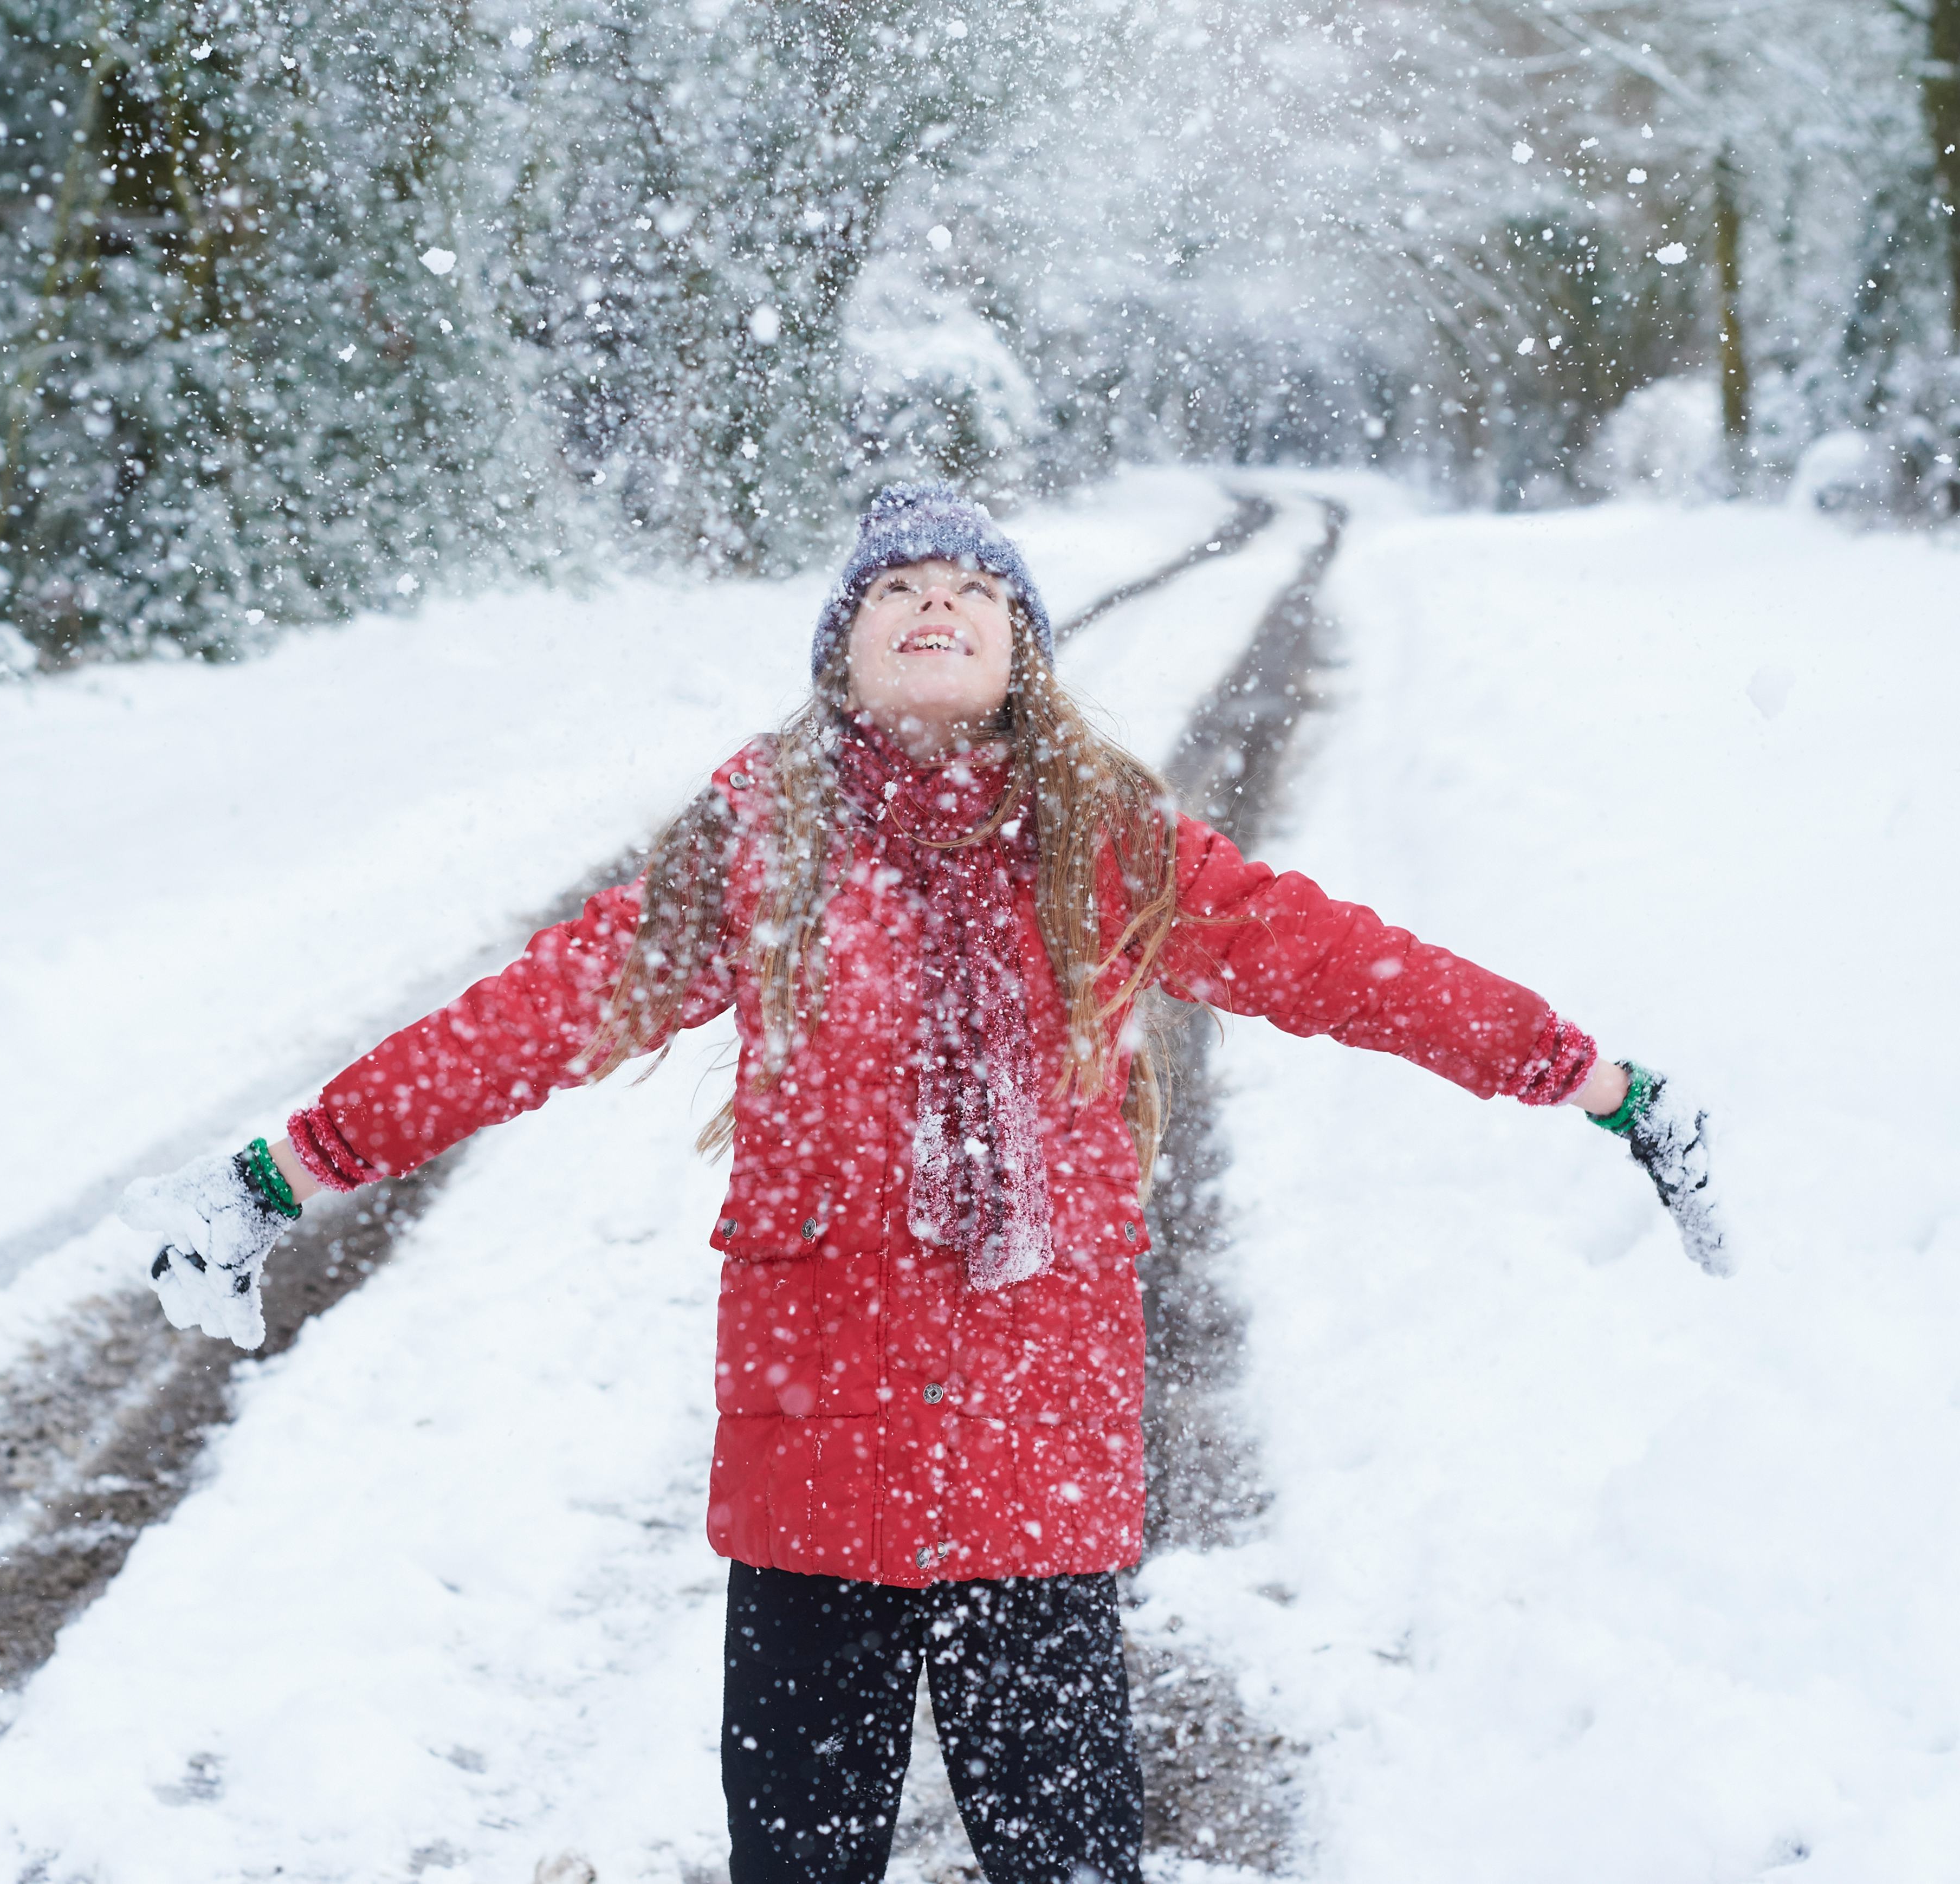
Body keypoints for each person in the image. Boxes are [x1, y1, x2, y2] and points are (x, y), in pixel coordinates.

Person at [122, 483, 1722, 1884]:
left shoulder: (1110, 844)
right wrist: (290, 1168)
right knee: (800, 1860)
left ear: (1024, 647)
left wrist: (1595, 1082)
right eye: (897, 587)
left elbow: (1350, 969)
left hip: (1041, 1464)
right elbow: (541, 1010)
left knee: (1071, 1856)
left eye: (972, 588)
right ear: (843, 651)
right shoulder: (761, 845)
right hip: (812, 1467)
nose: (936, 602)